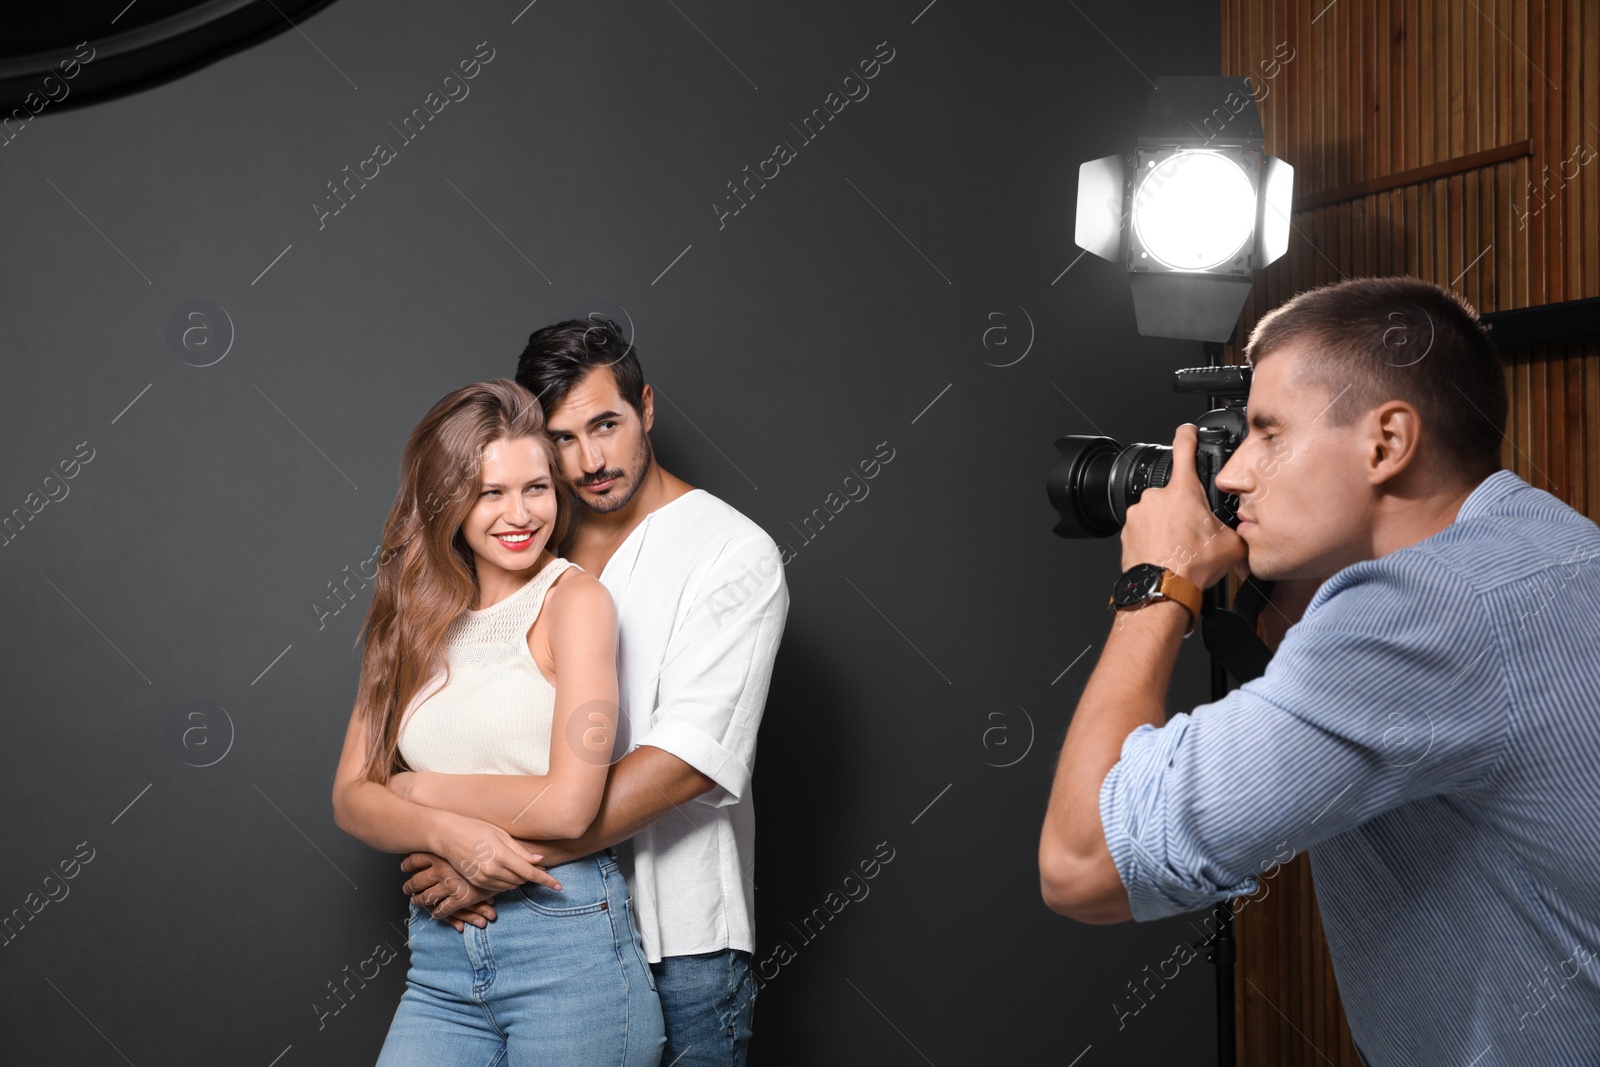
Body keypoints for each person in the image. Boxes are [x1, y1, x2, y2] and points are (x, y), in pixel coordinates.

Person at [1038, 276, 1600, 1065]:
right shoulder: (1550, 544)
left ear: (1386, 443)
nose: (1230, 477)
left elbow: (1083, 861)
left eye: (1268, 433)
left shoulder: (1421, 607)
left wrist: (1158, 581)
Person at [395, 319, 789, 1067]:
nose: (591, 460)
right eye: (562, 439)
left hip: (682, 942)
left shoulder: (732, 552)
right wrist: (445, 834)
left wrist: (479, 855)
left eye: (605, 424)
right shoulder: (530, 532)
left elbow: (684, 762)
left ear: (645, 406)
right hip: (531, 936)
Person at [330, 379, 664, 1066]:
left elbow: (571, 805)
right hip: (440, 958)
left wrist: (418, 791)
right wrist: (445, 832)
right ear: (446, 498)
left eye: (537, 487)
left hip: (566, 953)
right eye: (491, 492)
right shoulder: (407, 615)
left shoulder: (578, 604)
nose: (521, 513)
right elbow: (350, 797)